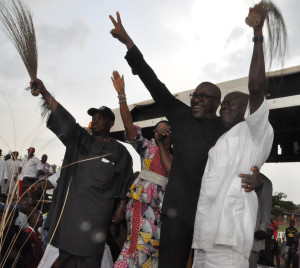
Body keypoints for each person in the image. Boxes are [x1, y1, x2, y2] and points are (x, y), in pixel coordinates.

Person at [109, 12, 264, 268]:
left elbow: (249, 156)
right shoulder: (181, 117)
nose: (196, 99)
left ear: (217, 104)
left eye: (204, 97)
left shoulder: (228, 129)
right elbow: (153, 83)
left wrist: (258, 179)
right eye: (195, 95)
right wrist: (128, 43)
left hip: (211, 216)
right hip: (176, 212)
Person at [192, 5, 274, 267]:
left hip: (229, 239)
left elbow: (256, 86)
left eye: (231, 103)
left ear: (247, 111)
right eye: (223, 103)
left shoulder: (254, 130)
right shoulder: (222, 140)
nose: (224, 106)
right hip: (205, 236)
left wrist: (257, 34)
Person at [29, 78, 134, 268]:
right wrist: (44, 92)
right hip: (70, 219)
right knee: (66, 259)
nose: (95, 120)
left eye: (100, 118)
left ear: (111, 123)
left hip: (95, 222)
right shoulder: (79, 140)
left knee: (90, 260)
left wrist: (121, 206)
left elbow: (126, 183)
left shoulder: (120, 153)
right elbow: (64, 117)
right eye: (93, 118)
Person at [111, 71, 173, 267]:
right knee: (136, 246)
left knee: (155, 249)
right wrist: (122, 96)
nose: (163, 132)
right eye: (159, 129)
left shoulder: (178, 156)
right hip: (141, 203)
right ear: (154, 135)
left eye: (167, 130)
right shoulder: (148, 148)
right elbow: (129, 126)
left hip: (163, 208)